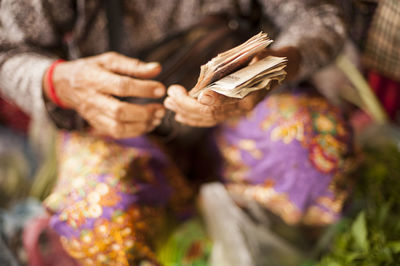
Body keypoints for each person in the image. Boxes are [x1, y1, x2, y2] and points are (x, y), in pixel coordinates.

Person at [0, 0, 352, 264]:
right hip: (109, 125)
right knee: (100, 221)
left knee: (312, 154)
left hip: (244, 113)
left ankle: (284, 248)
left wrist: (274, 69)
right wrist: (60, 82)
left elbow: (320, 18)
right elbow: (8, 52)